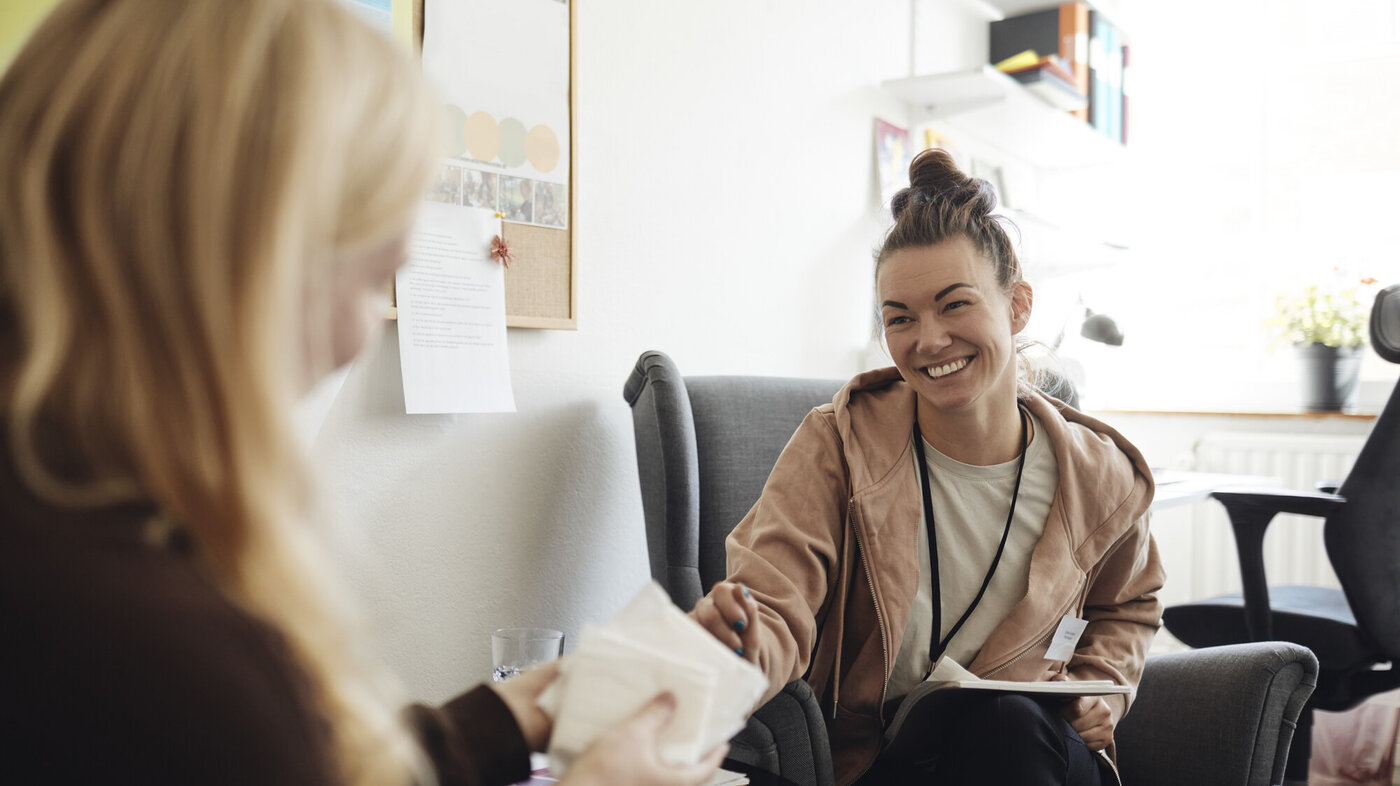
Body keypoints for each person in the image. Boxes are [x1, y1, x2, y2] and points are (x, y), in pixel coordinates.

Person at [0, 1, 724, 785]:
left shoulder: (67, 520)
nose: (355, 343)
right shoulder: (153, 645)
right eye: (378, 274)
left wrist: (508, 719)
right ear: (247, 265)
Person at [692, 148, 1165, 785]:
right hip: (886, 763)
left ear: (1018, 305)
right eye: (900, 318)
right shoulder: (839, 444)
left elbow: (1128, 605)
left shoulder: (1098, 476)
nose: (929, 340)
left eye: (955, 305)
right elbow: (776, 602)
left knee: (1007, 724)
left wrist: (1099, 690)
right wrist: (741, 643)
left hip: (1033, 752)